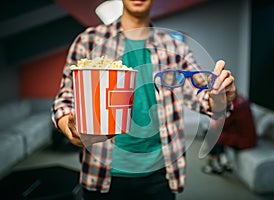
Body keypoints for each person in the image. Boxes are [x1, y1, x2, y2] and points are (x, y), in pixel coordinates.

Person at [51, 0, 236, 199]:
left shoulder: (174, 47)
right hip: (101, 171)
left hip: (159, 173)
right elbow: (66, 98)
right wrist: (69, 128)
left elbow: (199, 92)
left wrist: (218, 98)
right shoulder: (89, 40)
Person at [202, 92, 257, 175]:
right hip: (247, 137)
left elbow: (222, 124)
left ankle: (215, 164)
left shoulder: (234, 106)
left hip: (244, 141)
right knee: (216, 134)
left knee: (211, 135)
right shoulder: (240, 101)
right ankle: (223, 160)